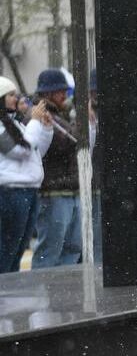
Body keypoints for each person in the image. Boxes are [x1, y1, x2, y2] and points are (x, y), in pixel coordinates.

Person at [0, 78, 54, 274]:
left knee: (19, 248)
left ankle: (9, 293)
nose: (17, 99)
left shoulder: (16, 124)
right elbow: (20, 149)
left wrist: (45, 128)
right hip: (11, 193)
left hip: (28, 191)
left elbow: (36, 152)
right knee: (7, 248)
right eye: (11, 95)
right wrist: (33, 121)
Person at [31, 68, 81, 268]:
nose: (64, 95)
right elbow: (67, 142)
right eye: (60, 91)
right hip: (53, 190)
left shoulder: (60, 115)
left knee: (72, 247)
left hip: (67, 188)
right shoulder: (40, 116)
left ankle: (63, 292)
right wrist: (81, 123)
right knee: (51, 249)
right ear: (48, 94)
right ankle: (43, 293)